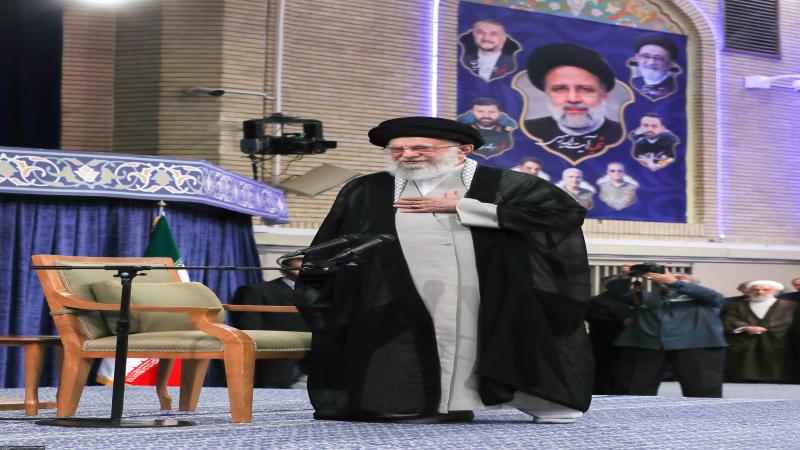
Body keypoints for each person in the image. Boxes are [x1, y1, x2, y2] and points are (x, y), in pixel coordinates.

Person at [294, 116, 593, 424]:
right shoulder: (367, 188)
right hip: (396, 287)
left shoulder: (500, 183)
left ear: (463, 149)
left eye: (420, 147)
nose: (407, 155)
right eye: (397, 149)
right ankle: (427, 405)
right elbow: (335, 237)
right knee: (401, 345)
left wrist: (464, 207)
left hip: (480, 286)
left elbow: (564, 215)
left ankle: (515, 402)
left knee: (476, 340)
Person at [612, 267, 727, 397]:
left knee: (703, 391)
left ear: (694, 284)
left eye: (681, 278)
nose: (671, 278)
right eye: (668, 277)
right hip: (647, 345)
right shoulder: (646, 297)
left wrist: (674, 283)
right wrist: (625, 276)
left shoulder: (707, 299)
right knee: (634, 389)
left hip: (697, 346)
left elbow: (712, 295)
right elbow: (616, 290)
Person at [523, 43, 623, 163]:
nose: (573, 99)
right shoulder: (528, 131)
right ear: (548, 94)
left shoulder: (620, 135)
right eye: (560, 89)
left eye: (585, 89)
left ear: (604, 96)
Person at [231, 258, 309, 388]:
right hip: (277, 355)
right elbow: (250, 327)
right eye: (298, 265)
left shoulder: (324, 293)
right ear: (283, 269)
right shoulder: (256, 291)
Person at [723, 280, 798, 383]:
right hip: (746, 342)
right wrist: (746, 327)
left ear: (775, 291)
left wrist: (767, 328)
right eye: (756, 290)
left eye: (765, 290)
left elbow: (789, 322)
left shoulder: (789, 306)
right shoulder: (739, 306)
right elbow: (731, 320)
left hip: (778, 342)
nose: (760, 292)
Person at [586, 270, 635, 394]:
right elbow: (596, 320)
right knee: (605, 378)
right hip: (606, 346)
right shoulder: (597, 301)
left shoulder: (633, 299)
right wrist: (622, 322)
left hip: (629, 347)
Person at [629, 34, 681, 101]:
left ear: (670, 63)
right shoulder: (634, 83)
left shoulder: (677, 86)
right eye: (645, 56)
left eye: (658, 58)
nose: (651, 62)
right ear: (637, 57)